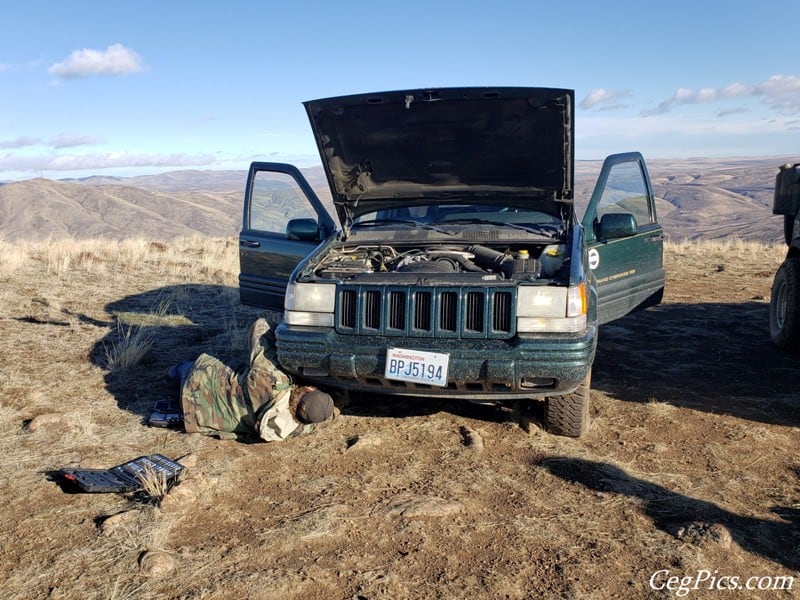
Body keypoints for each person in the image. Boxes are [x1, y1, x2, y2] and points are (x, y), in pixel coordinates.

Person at [161, 318, 336, 441]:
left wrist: (284, 336)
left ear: (309, 389)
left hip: (198, 379)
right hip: (198, 415)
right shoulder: (291, 429)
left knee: (179, 370)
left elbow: (260, 326)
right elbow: (323, 416)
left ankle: (167, 372)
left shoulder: (270, 378)